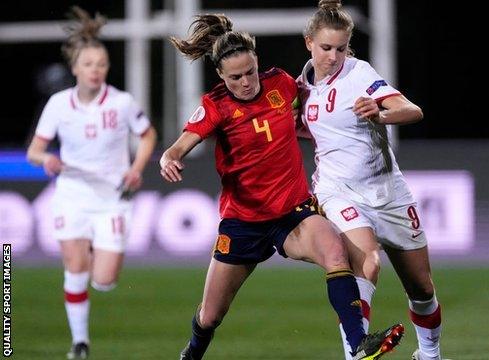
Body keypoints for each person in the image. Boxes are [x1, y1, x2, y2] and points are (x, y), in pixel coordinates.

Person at [160, 13, 403, 360]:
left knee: (336, 252)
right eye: (235, 77)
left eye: (250, 72)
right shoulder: (216, 105)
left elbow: (318, 109)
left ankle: (358, 344)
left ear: (257, 62)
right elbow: (182, 143)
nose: (246, 82)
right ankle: (192, 353)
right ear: (220, 76)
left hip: (292, 214)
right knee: (210, 315)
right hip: (243, 223)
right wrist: (169, 158)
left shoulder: (282, 85)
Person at [297, 1, 444, 359]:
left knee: (421, 288)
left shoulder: (359, 74)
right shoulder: (298, 89)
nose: (334, 56)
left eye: (341, 48)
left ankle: (429, 354)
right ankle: (357, 353)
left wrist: (380, 113)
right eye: (326, 48)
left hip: (388, 192)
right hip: (339, 192)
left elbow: (412, 111)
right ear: (309, 43)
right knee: (367, 263)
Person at [25, 6, 157, 360]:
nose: (95, 70)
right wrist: (47, 159)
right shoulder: (58, 104)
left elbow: (147, 136)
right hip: (72, 195)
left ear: (106, 69)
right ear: (75, 69)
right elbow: (34, 152)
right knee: (75, 267)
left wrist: (136, 167)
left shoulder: (122, 102)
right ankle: (80, 344)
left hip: (113, 197)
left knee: (105, 280)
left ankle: (100, 247)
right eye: (88, 64)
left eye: (101, 64)